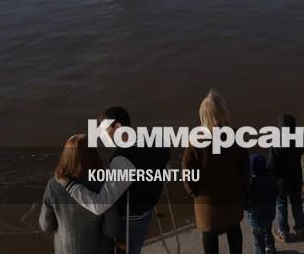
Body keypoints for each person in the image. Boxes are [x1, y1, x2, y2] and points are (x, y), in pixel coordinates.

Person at [64, 107, 170, 254]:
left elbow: (99, 205)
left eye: (104, 130)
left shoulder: (123, 158)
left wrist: (69, 185)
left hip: (128, 221)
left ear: (118, 126)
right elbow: (165, 172)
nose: (102, 135)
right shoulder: (157, 140)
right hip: (147, 212)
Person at [182, 90, 250, 254]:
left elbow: (187, 169)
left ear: (203, 116)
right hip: (232, 196)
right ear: (224, 112)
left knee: (209, 235)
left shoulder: (196, 141)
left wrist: (193, 191)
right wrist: (244, 189)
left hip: (207, 202)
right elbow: (245, 166)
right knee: (234, 231)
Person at [39, 134, 119, 254]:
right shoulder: (105, 184)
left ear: (66, 156)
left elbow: (46, 225)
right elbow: (111, 230)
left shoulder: (54, 185)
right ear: (93, 155)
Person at [268, 114, 304, 243]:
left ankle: (283, 232)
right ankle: (300, 229)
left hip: (280, 183)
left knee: (281, 207)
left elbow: (271, 165)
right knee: (297, 204)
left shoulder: (276, 144)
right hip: (295, 179)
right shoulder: (299, 141)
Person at [245, 154, 279, 254]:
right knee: (268, 232)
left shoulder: (252, 183)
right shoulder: (271, 178)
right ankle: (271, 249)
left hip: (256, 217)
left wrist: (246, 207)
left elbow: (247, 200)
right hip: (269, 214)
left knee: (258, 240)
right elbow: (276, 192)